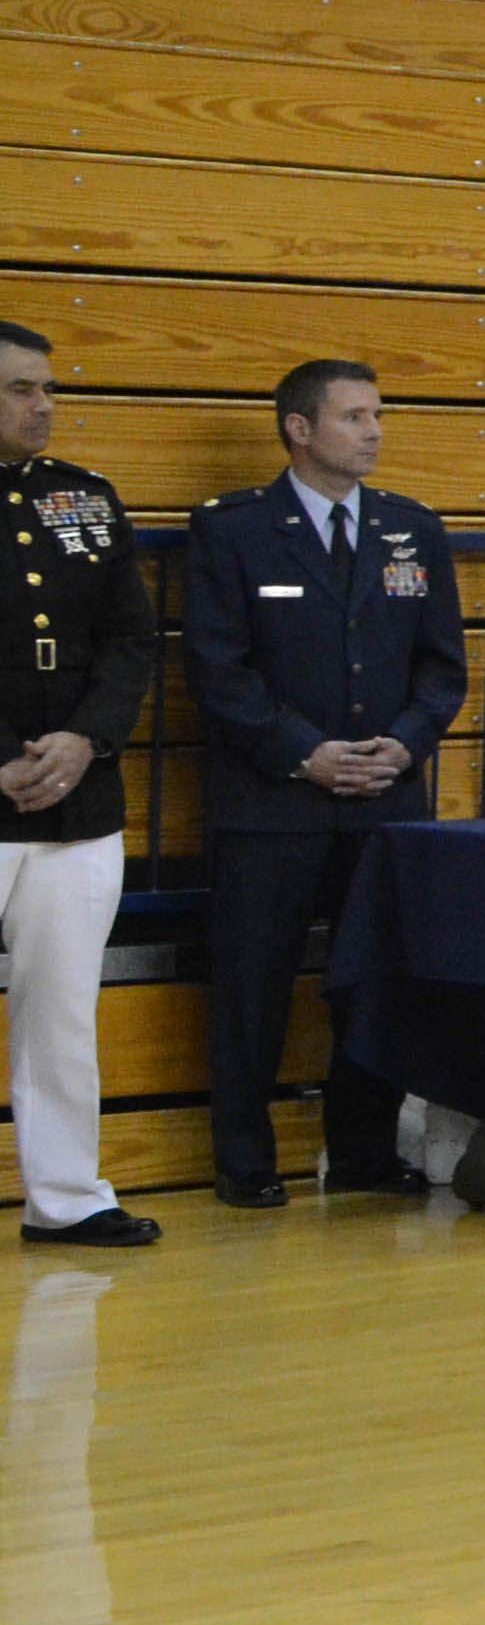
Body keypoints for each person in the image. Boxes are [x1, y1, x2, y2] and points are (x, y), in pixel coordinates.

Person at [181, 360, 463, 1205]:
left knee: (376, 983)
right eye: (353, 417)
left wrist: (405, 746)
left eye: (378, 414)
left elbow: (441, 668)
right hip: (272, 801)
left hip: (384, 798)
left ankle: (366, 1153)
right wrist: (305, 752)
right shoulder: (233, 529)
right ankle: (245, 1163)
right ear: (299, 430)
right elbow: (217, 666)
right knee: (251, 987)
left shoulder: (412, 528)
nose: (374, 431)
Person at [0, 320, 162, 1248]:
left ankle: (67, 1198)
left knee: (62, 1011)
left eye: (50, 388)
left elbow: (129, 639)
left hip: (78, 798)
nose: (44, 406)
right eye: (23, 389)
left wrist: (86, 738)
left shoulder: (86, 498)